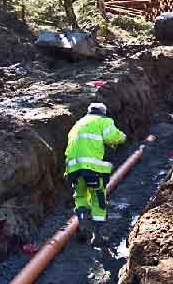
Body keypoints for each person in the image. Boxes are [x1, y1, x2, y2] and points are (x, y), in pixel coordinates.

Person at [65, 102, 126, 244]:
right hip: (93, 170)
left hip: (73, 170)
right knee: (98, 199)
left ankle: (82, 221)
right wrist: (123, 137)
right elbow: (113, 137)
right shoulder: (103, 121)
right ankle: (97, 236)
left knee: (80, 196)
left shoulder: (77, 124)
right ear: (103, 112)